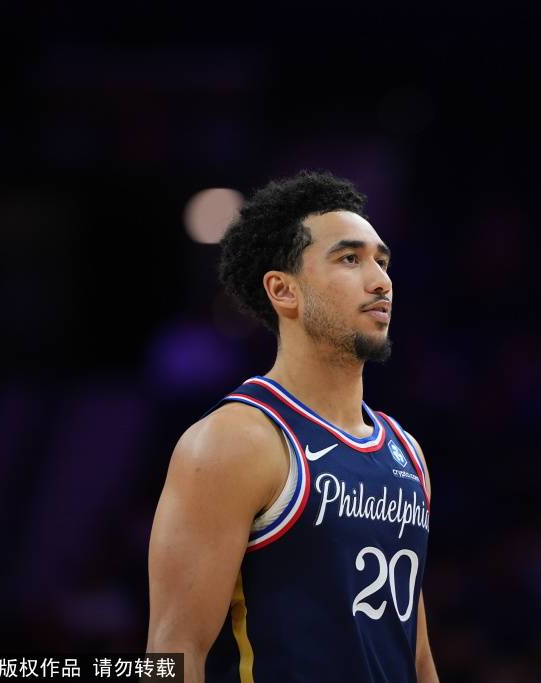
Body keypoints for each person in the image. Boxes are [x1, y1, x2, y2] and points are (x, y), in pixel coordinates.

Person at [146, 171, 438, 682]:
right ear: (284, 291)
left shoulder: (406, 452)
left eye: (382, 261)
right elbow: (173, 649)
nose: (380, 280)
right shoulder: (236, 441)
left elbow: (417, 659)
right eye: (350, 259)